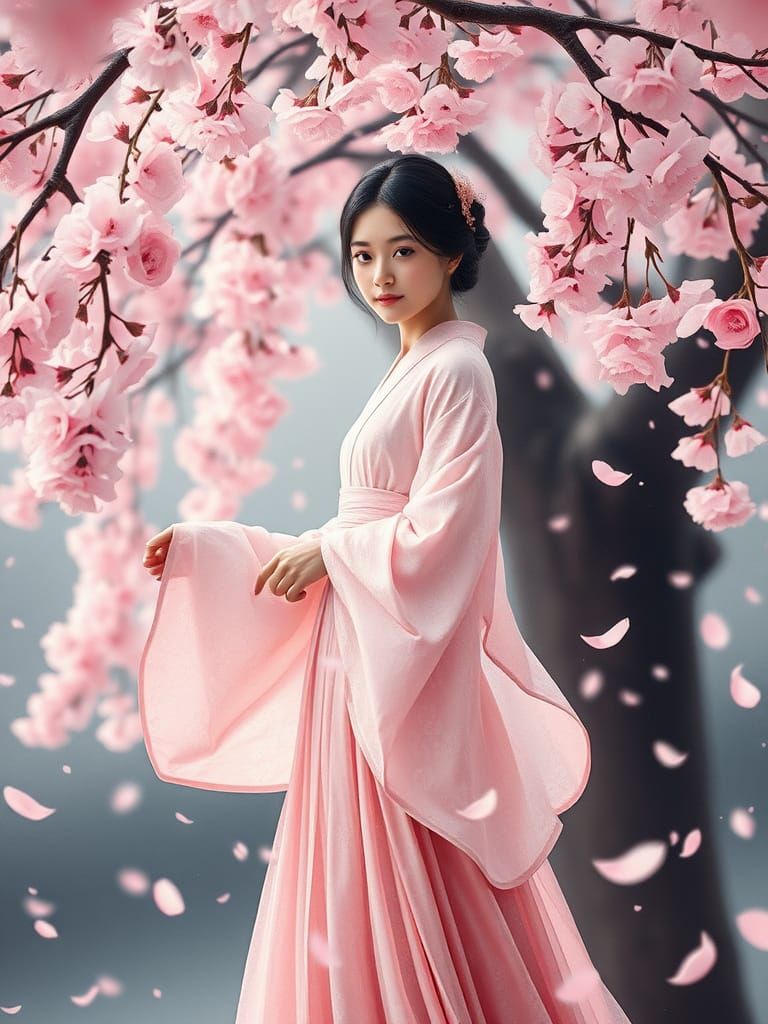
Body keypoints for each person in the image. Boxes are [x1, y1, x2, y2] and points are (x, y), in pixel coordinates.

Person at [139, 154, 633, 1023]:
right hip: (359, 653)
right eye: (363, 256)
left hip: (400, 659)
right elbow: (364, 523)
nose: (380, 276)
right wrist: (210, 548)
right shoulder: (412, 368)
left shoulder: (456, 371)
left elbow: (446, 531)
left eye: (402, 251)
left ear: (450, 252)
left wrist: (335, 554)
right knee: (353, 869)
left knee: (414, 864)